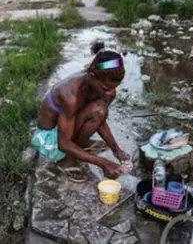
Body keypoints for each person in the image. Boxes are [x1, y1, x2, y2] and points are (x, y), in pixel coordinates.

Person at [31, 41, 130, 183]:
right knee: (97, 110)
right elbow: (62, 143)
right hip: (51, 138)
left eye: (113, 88)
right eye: (104, 88)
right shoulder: (70, 95)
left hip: (66, 125)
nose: (109, 93)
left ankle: (79, 145)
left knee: (99, 111)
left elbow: (100, 119)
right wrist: (103, 163)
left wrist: (116, 150)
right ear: (91, 75)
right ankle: (66, 160)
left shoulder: (102, 89)